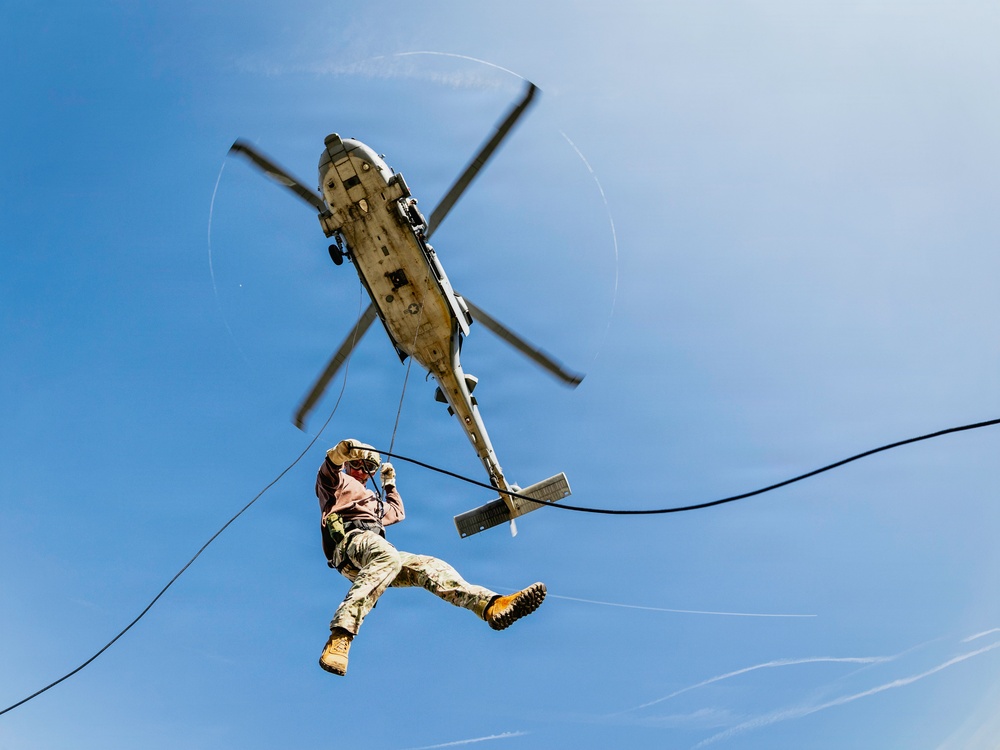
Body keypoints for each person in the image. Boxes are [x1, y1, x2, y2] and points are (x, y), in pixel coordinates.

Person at [315, 438, 546, 676]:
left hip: (376, 556)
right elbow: (330, 466)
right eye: (357, 465)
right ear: (348, 464)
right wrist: (340, 452)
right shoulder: (336, 483)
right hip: (349, 544)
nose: (362, 472)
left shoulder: (373, 501)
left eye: (368, 469)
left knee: (429, 566)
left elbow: (396, 512)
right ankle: (341, 636)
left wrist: (389, 485)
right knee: (388, 556)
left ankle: (490, 605)